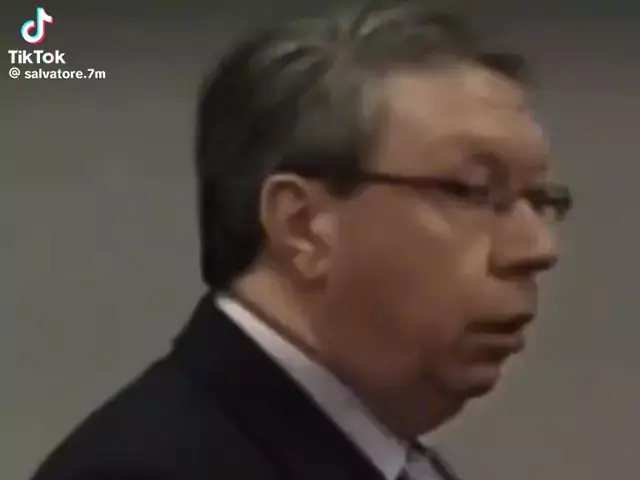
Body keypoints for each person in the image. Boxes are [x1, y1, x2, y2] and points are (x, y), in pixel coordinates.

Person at [31, 1, 573, 479]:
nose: (538, 248)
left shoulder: (389, 455)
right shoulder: (143, 473)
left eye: (543, 200)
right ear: (303, 226)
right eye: (472, 190)